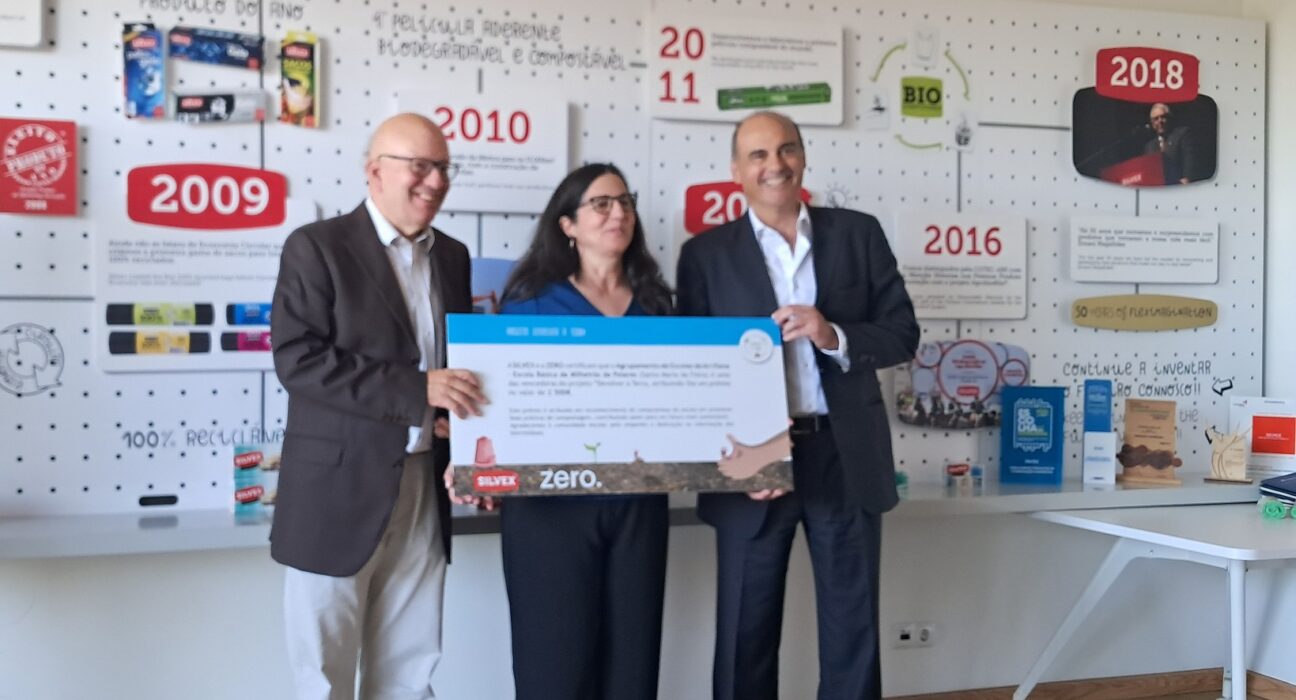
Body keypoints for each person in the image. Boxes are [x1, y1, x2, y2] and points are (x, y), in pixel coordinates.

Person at [675, 111, 920, 700]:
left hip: (843, 454)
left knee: (853, 627)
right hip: (751, 467)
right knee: (745, 631)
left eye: (786, 149)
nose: (775, 165)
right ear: (736, 171)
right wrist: (731, 459)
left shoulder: (858, 234)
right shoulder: (705, 255)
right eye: (758, 155)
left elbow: (902, 334)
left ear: (803, 157)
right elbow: (694, 372)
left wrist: (833, 333)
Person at [270, 112, 487, 700]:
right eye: (420, 166)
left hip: (422, 484)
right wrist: (418, 391)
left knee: (411, 669)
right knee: (324, 676)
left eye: (443, 167)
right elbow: (299, 360)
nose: (435, 181)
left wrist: (455, 428)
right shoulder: (317, 246)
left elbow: (452, 370)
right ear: (375, 172)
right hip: (335, 491)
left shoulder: (453, 256)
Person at [496, 163, 674, 700]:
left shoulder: (658, 304)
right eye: (601, 204)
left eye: (625, 202)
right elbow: (500, 404)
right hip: (550, 511)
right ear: (567, 225)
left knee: (633, 668)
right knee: (554, 668)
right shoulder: (529, 301)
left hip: (638, 506)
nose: (618, 213)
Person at [1143, 102, 1198, 184]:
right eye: (1156, 119)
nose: (1160, 121)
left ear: (1169, 118)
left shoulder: (1182, 134)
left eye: (1163, 117)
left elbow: (1189, 160)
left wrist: (1187, 178)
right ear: (1152, 123)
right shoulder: (1149, 146)